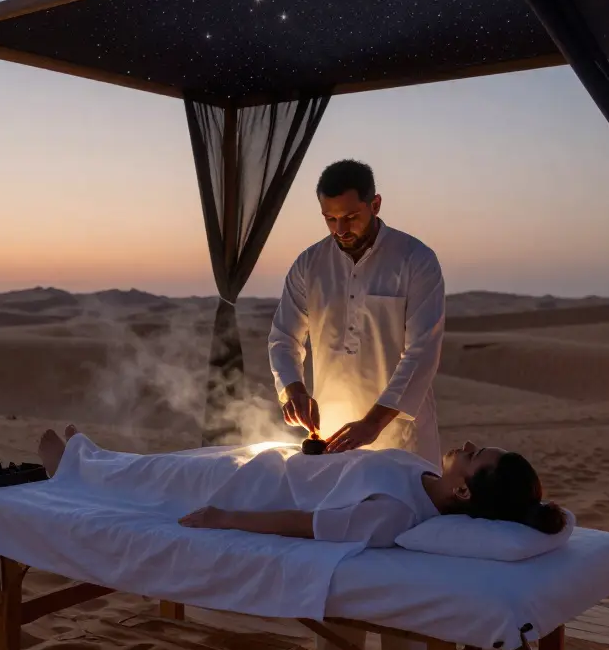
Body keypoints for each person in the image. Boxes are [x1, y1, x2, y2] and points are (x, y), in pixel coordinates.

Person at [35, 426, 567, 550]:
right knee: (161, 465)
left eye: (476, 458)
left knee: (155, 480)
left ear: (465, 494)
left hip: (247, 491)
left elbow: (304, 526)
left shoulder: (393, 516)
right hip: (262, 464)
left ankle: (72, 467)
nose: (469, 445)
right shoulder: (418, 470)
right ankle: (93, 458)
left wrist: (226, 517)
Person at [269, 159, 447, 464]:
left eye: (351, 217)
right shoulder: (309, 264)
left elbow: (422, 351)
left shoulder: (415, 260)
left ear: (375, 204)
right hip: (333, 436)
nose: (341, 229)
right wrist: (294, 389)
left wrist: (373, 423)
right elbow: (284, 337)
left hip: (400, 438)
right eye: (330, 219)